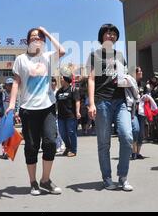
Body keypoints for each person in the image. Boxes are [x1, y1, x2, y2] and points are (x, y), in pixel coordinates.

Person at [6, 27, 65, 196]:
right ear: (27, 42)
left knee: (50, 142)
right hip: (28, 109)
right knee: (31, 146)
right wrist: (11, 104)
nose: (36, 39)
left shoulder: (47, 57)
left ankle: (45, 180)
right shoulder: (21, 59)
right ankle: (33, 182)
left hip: (47, 107)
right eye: (32, 37)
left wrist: (46, 32)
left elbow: (61, 50)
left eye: (39, 37)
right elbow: (16, 82)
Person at [87, 24, 134, 191]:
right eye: (107, 33)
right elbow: (91, 79)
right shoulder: (96, 56)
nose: (110, 35)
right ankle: (107, 177)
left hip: (121, 100)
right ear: (102, 36)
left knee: (127, 136)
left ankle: (123, 176)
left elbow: (126, 77)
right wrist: (91, 103)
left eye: (113, 33)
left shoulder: (120, 56)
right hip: (102, 101)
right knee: (104, 143)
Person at [56, 74, 81, 157]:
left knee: (71, 132)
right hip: (60, 116)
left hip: (71, 116)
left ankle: (73, 150)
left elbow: (77, 101)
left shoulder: (73, 89)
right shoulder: (59, 91)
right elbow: (56, 103)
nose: (60, 79)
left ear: (66, 80)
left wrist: (77, 112)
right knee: (62, 133)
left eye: (62, 78)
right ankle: (68, 147)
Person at [131, 67, 146, 160]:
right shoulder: (130, 84)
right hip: (133, 111)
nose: (141, 72)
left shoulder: (144, 85)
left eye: (141, 70)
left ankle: (138, 152)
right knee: (135, 129)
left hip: (142, 111)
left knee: (141, 133)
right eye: (138, 71)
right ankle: (133, 152)